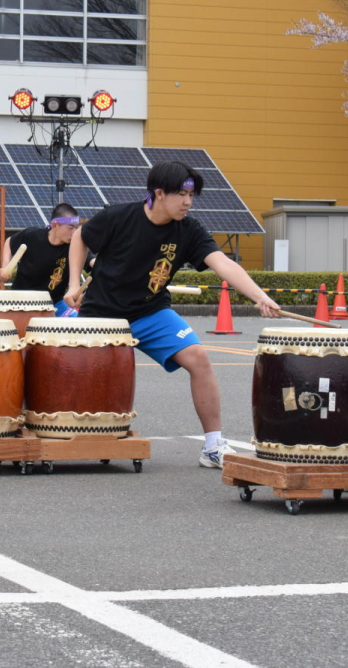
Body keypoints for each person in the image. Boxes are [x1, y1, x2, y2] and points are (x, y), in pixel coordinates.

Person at [64, 161, 280, 468]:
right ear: (159, 193)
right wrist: (74, 282)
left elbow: (224, 265)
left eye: (192, 195)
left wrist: (261, 297)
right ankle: (61, 432)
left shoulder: (189, 230)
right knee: (75, 375)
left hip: (151, 313)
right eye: (182, 194)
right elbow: (81, 237)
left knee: (199, 358)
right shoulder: (119, 216)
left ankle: (213, 446)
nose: (188, 202)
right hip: (101, 314)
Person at [0, 202, 81, 316]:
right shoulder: (32, 236)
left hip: (54, 304)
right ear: (55, 225)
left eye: (76, 228)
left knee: (78, 323)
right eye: (71, 228)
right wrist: (5, 267)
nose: (74, 232)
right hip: (21, 302)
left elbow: (91, 260)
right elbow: (10, 241)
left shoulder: (75, 246)